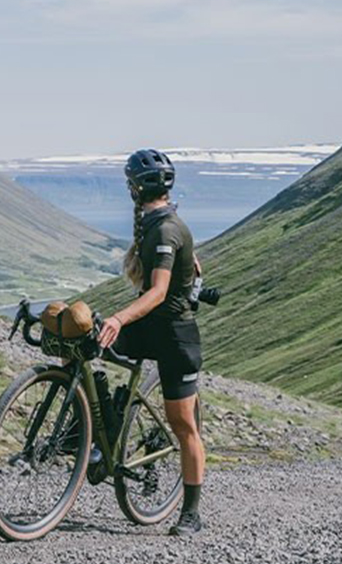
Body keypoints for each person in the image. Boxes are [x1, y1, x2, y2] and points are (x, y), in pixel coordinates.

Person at [97, 148, 206, 536]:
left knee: (182, 423)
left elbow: (158, 292)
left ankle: (191, 513)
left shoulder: (164, 229)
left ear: (133, 188)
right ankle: (100, 435)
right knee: (85, 344)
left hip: (175, 335)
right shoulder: (156, 224)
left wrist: (119, 317)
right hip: (149, 328)